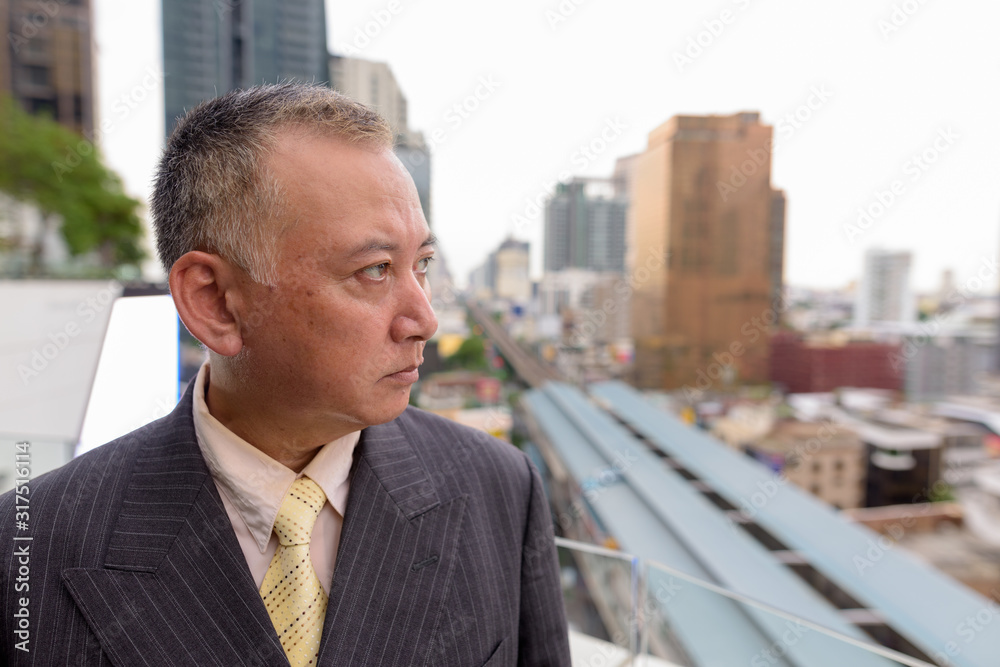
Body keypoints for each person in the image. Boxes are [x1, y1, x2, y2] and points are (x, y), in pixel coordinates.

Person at [0, 84, 571, 666]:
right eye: (374, 270)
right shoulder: (27, 549)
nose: (424, 317)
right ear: (216, 302)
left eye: (420, 264)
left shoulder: (500, 488)